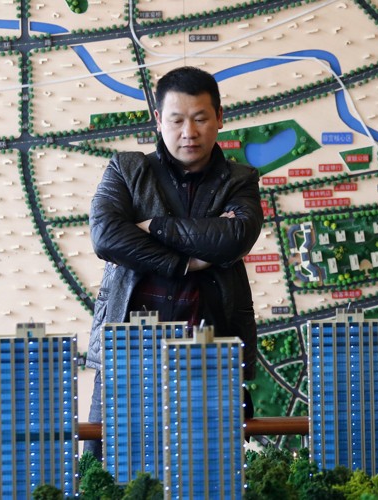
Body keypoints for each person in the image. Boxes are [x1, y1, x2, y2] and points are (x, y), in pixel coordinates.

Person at [84, 66, 263, 457]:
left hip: (209, 356)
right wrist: (185, 263)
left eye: (200, 119)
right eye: (177, 120)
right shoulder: (126, 169)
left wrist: (153, 226)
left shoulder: (240, 179)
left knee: (209, 469)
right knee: (105, 466)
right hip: (126, 356)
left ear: (219, 117)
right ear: (158, 119)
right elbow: (106, 236)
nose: (189, 132)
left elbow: (235, 236)